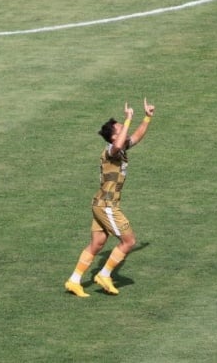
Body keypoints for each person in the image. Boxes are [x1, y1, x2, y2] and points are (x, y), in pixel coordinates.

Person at [64, 98, 156, 297]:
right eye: (121, 127)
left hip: (100, 203)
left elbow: (136, 137)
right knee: (129, 241)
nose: (125, 128)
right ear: (114, 136)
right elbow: (119, 143)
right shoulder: (111, 151)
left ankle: (73, 281)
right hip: (107, 205)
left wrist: (147, 118)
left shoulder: (120, 149)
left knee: (97, 244)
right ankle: (104, 275)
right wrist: (128, 119)